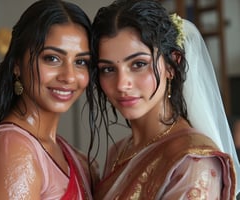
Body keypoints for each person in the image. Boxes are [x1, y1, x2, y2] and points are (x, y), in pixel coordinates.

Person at [87, 0, 240, 199]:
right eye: (108, 69)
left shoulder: (192, 161)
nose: (122, 84)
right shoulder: (118, 152)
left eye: (139, 64)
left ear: (171, 64)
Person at [0, 0, 98, 199]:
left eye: (80, 62)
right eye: (52, 58)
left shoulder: (71, 154)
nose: (69, 76)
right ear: (17, 64)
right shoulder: (12, 149)